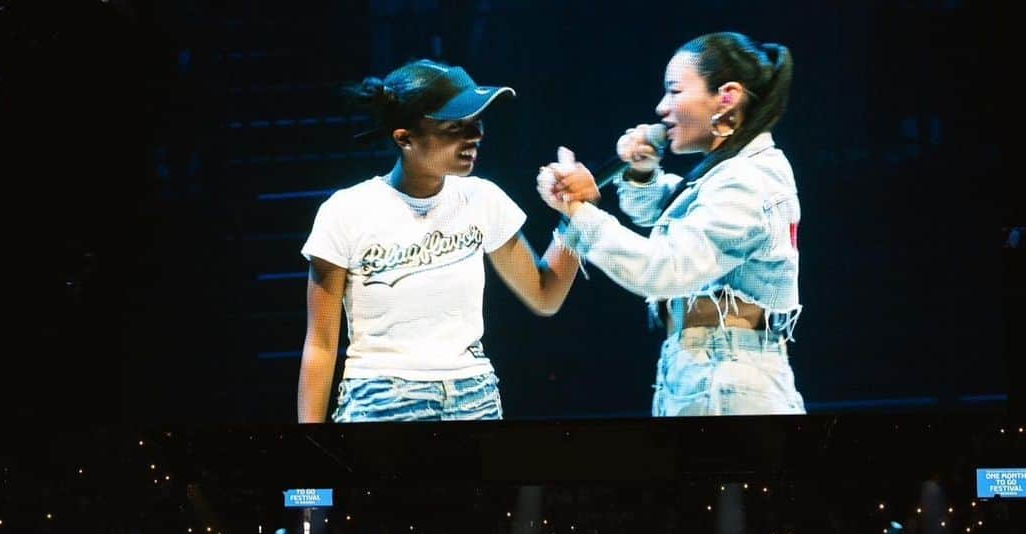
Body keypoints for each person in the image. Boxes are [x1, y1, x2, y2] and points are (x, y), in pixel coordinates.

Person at [537, 32, 804, 417]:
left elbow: (667, 267)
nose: (662, 108)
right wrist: (643, 173)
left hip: (728, 382)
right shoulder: (732, 173)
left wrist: (579, 215)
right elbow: (676, 216)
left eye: (674, 91)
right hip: (707, 369)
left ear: (726, 97)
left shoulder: (749, 180)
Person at [299, 60, 582, 422]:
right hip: (381, 397)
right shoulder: (346, 211)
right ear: (405, 138)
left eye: (476, 122)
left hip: (473, 396)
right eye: (455, 127)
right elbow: (320, 345)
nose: (475, 135)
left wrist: (577, 218)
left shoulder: (482, 198)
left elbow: (545, 295)